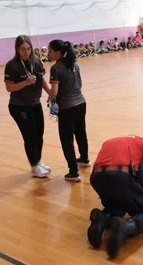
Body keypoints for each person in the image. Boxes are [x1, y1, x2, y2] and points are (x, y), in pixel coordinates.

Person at [87, 135, 143, 259]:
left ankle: (102, 219)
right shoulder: (142, 142)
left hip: (97, 177)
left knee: (117, 207)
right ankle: (125, 226)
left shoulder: (110, 141)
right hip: (121, 176)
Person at [4, 35, 51, 178]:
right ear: (17, 50)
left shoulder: (36, 61)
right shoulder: (12, 65)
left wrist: (51, 93)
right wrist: (25, 83)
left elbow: (41, 79)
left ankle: (38, 161)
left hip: (35, 103)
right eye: (23, 49)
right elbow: (9, 87)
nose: (26, 52)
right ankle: (34, 165)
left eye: (28, 49)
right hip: (19, 106)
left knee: (39, 134)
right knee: (30, 135)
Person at [47, 39, 90, 182]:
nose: (48, 53)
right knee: (80, 132)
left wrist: (49, 97)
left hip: (67, 107)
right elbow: (80, 84)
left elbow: (54, 93)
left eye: (50, 51)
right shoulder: (74, 65)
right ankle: (84, 158)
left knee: (67, 140)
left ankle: (73, 172)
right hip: (81, 103)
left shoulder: (56, 68)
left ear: (58, 53)